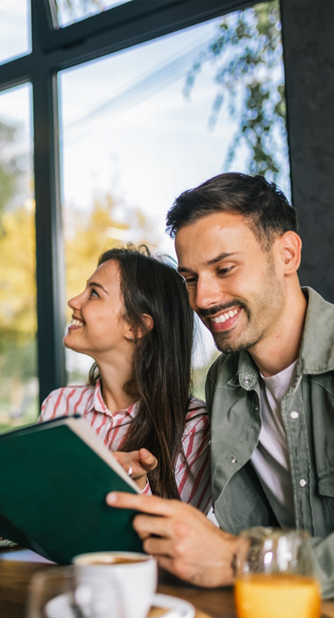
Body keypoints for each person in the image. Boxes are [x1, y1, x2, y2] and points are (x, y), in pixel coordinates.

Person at [107, 172, 334, 597]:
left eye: (225, 269)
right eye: (190, 278)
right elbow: (236, 522)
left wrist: (238, 558)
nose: (203, 299)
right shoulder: (225, 380)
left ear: (287, 254)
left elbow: (233, 549)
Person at [0, 247, 211, 540]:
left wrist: (138, 485)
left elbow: (175, 545)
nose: (73, 301)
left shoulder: (194, 426)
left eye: (94, 293)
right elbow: (39, 518)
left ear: (135, 326)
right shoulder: (60, 404)